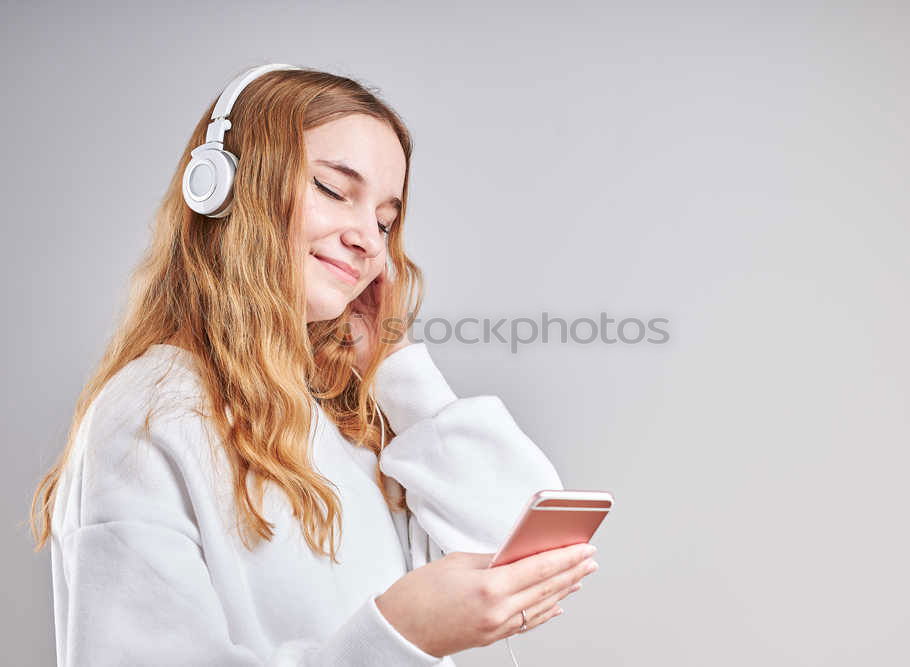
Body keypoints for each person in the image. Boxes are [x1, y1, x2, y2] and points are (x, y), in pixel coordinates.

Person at [28, 64, 599, 666]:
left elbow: (533, 548)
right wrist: (400, 634)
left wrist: (395, 364)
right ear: (222, 186)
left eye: (385, 219)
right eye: (332, 189)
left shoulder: (351, 418)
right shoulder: (149, 414)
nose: (371, 241)